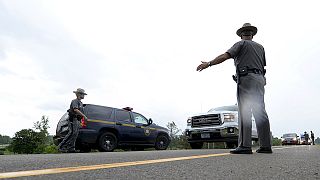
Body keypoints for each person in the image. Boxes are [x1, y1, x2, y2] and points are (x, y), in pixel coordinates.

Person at [197, 23, 272, 154]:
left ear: (242, 35)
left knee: (245, 111)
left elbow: (225, 56)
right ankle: (266, 146)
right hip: (260, 79)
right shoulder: (261, 47)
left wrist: (208, 64)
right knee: (260, 112)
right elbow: (262, 66)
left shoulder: (241, 44)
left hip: (246, 78)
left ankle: (245, 146)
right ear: (252, 35)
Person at [58, 88, 88, 153]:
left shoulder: (81, 103)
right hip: (73, 119)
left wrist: (82, 120)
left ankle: (71, 148)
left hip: (77, 120)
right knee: (71, 133)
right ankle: (61, 147)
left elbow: (80, 112)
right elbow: (75, 110)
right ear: (78, 94)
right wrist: (84, 116)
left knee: (75, 134)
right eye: (82, 94)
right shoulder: (75, 101)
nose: (83, 96)